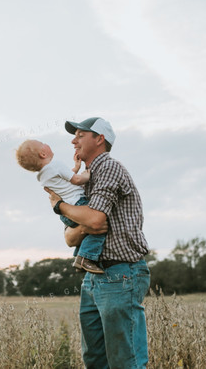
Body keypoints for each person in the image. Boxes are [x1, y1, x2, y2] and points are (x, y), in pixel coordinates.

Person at [46, 117, 150, 368]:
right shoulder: (82, 180)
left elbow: (94, 221)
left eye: (80, 135)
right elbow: (71, 238)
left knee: (125, 360)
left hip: (120, 272)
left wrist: (59, 206)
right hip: (93, 277)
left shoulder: (109, 168)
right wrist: (79, 220)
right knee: (94, 359)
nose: (73, 140)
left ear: (99, 139)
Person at [16, 139, 106, 273]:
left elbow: (64, 178)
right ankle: (85, 258)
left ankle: (78, 257)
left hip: (65, 213)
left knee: (87, 232)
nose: (46, 143)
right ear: (43, 153)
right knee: (98, 226)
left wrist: (76, 167)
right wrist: (87, 175)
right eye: (43, 143)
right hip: (78, 204)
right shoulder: (56, 165)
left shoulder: (43, 175)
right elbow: (75, 180)